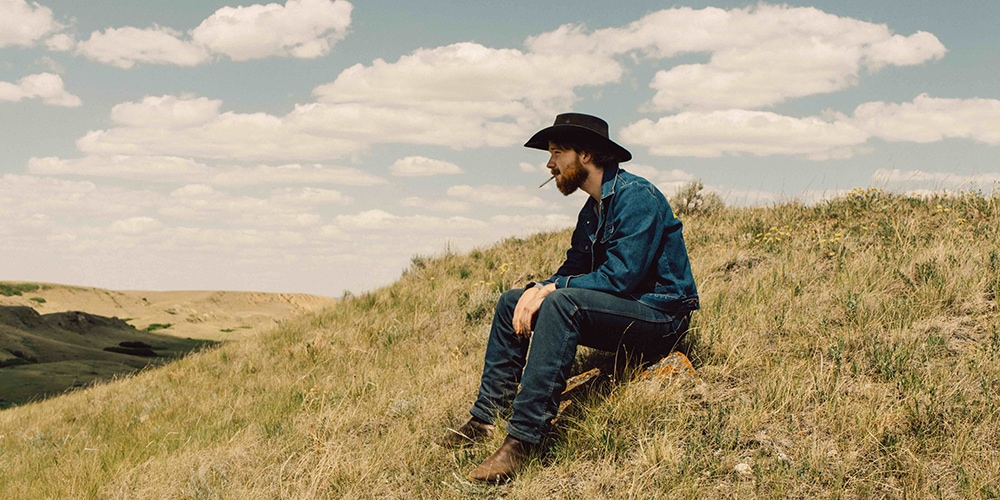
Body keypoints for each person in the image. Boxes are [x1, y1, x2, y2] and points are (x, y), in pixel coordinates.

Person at [441, 112, 700, 482]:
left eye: (557, 152)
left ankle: (524, 439)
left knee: (563, 302)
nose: (549, 164)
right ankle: (485, 419)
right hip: (622, 311)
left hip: (660, 318)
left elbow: (620, 278)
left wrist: (553, 291)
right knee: (513, 301)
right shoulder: (592, 210)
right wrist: (537, 289)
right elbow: (572, 270)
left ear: (586, 156)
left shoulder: (637, 197)